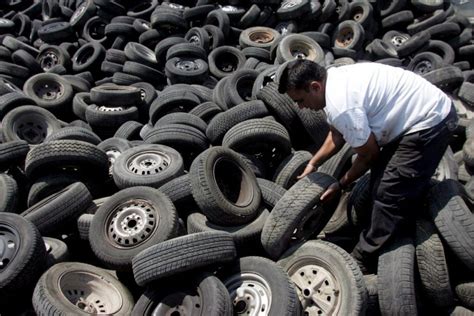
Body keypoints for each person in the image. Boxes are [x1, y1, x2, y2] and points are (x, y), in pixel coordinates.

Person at [277, 59, 458, 273]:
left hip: (430, 122)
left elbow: (369, 155)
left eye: (300, 100)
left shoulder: (341, 104)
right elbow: (336, 133)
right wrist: (313, 163)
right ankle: (410, 193)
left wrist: (341, 183)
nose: (300, 107)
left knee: (387, 193)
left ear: (315, 86)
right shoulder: (333, 79)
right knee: (382, 180)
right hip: (412, 115)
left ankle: (365, 256)